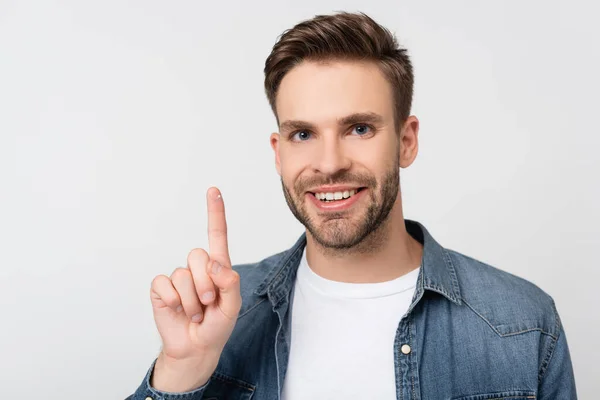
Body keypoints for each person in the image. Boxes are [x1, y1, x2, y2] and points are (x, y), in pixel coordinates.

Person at [128, 11, 577, 400]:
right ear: (278, 152)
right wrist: (182, 370)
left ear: (406, 141)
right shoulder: (221, 315)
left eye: (359, 129)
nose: (329, 165)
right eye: (303, 134)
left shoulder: (522, 324)